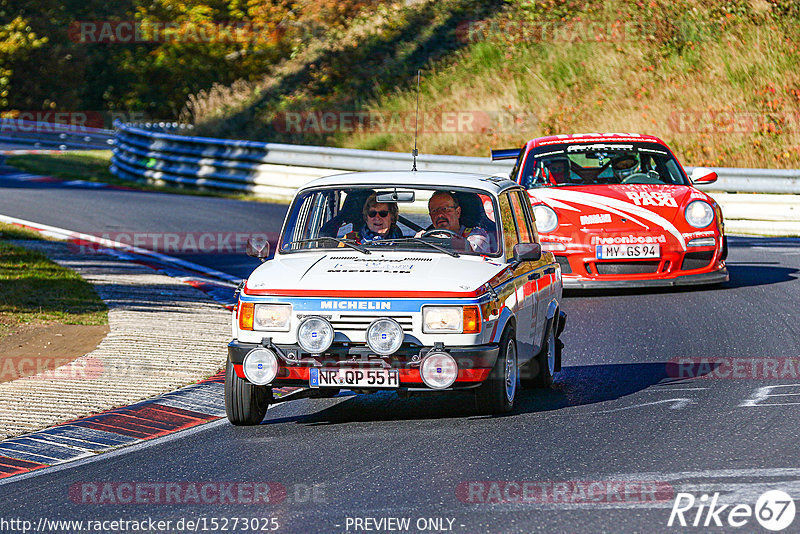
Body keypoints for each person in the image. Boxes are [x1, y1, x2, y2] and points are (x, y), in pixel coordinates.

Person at [423, 191, 490, 253]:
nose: (439, 214)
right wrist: (417, 240)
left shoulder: (477, 234)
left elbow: (473, 249)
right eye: (434, 211)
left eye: (445, 209)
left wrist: (431, 241)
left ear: (457, 212)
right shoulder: (425, 236)